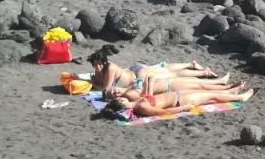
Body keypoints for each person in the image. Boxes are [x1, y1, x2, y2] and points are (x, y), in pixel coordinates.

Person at [87, 46, 225, 93]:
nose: (97, 67)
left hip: (138, 74)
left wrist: (93, 83)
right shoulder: (99, 71)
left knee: (170, 74)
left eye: (100, 64)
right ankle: (190, 64)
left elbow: (105, 88)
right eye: (95, 64)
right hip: (134, 71)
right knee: (163, 68)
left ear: (104, 63)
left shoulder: (110, 67)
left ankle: (203, 72)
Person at [103, 83, 254, 119]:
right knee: (209, 96)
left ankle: (231, 91)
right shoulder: (141, 108)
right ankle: (241, 97)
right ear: (122, 103)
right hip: (180, 102)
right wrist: (185, 108)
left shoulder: (137, 102)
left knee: (207, 93)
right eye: (120, 99)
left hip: (177, 95)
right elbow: (165, 112)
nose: (120, 96)